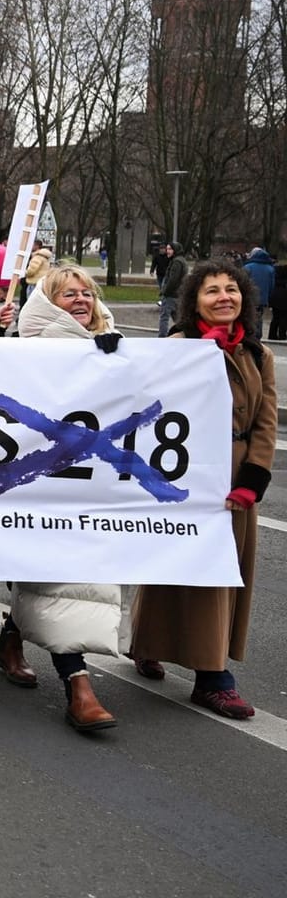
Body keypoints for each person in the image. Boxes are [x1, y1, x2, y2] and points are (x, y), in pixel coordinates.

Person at [131, 259, 274, 719]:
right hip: (185, 471)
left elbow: (265, 424)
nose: (223, 297)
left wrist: (253, 479)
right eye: (212, 291)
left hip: (233, 480)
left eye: (231, 289)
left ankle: (210, 672)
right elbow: (141, 397)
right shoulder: (180, 347)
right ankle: (203, 672)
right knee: (174, 566)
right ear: (194, 302)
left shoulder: (257, 353)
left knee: (219, 575)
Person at [0, 265, 125, 730]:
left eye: (87, 293)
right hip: (35, 488)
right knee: (56, 580)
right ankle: (78, 686)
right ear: (47, 303)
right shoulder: (25, 350)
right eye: (68, 294)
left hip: (89, 489)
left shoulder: (116, 346)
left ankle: (10, 640)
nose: (82, 300)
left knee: (70, 581)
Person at [243, 247, 275, 340]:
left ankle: (249, 334)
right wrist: (268, 296)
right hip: (262, 298)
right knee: (259, 316)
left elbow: (243, 282)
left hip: (249, 296)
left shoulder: (248, 267)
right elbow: (271, 285)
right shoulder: (270, 269)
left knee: (248, 315)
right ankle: (258, 335)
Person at [156, 243, 186, 336]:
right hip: (178, 294)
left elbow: (173, 280)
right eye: (167, 249)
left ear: (175, 250)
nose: (167, 251)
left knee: (164, 317)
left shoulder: (176, 262)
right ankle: (184, 333)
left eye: (170, 249)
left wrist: (165, 291)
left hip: (171, 295)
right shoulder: (181, 260)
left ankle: (162, 337)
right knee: (177, 318)